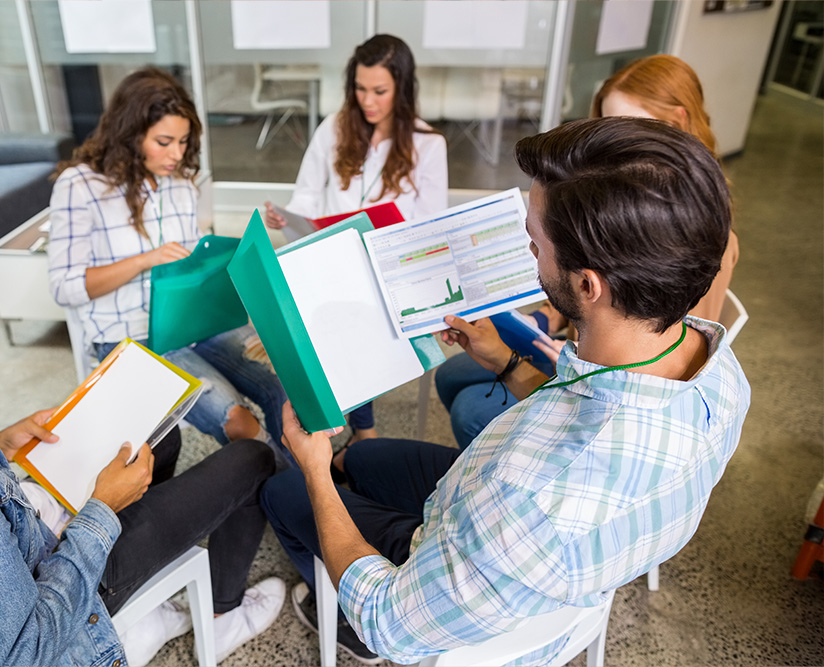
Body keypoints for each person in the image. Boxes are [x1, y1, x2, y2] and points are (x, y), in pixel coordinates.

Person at [260, 117, 750, 665]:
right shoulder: (722, 371)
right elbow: (581, 420)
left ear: (588, 285)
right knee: (369, 456)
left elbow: (389, 622)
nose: (528, 252)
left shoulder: (526, 495)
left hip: (465, 577)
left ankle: (340, 628)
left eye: (532, 241)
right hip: (530, 553)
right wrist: (507, 362)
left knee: (284, 494)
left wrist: (312, 467)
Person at [0, 121, 285, 667]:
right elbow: (25, 655)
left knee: (154, 440)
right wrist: (100, 512)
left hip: (13, 526)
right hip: (51, 594)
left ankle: (140, 601)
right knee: (254, 457)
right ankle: (222, 613)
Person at [436, 53, 741, 449]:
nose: (615, 142)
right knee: (453, 376)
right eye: (607, 125)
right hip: (586, 346)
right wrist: (542, 326)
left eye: (632, 126)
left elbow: (612, 391)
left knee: (471, 409)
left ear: (677, 121)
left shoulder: (681, 253)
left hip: (597, 364)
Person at [48, 66, 290, 467]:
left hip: (194, 325)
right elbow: (65, 287)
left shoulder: (181, 184)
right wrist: (145, 260)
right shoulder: (81, 186)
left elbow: (192, 265)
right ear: (130, 134)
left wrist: (232, 266)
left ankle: (303, 489)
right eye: (164, 142)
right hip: (130, 338)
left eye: (183, 141)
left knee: (283, 383)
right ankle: (300, 497)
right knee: (237, 420)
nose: (177, 154)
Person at [263, 34, 448, 461]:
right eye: (360, 89)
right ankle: (349, 432)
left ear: (402, 88)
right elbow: (306, 197)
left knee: (349, 319)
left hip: (389, 272)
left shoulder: (428, 144)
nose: (368, 101)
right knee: (320, 310)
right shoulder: (334, 127)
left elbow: (429, 227)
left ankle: (354, 432)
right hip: (330, 262)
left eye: (380, 91)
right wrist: (286, 216)